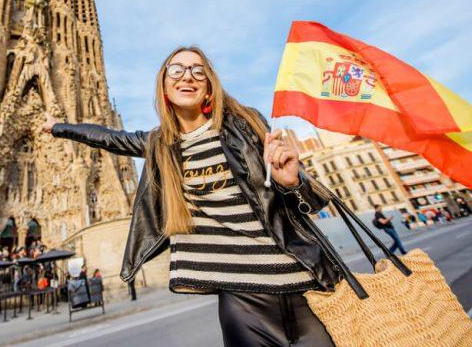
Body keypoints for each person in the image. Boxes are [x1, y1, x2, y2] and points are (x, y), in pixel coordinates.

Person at [42, 46, 340, 347]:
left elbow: (309, 204)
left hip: (306, 287)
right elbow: (107, 137)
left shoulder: (248, 124)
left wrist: (292, 182)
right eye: (177, 69)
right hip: (243, 302)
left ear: (209, 87)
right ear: (165, 86)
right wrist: (58, 127)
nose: (188, 76)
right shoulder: (161, 145)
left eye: (198, 71)